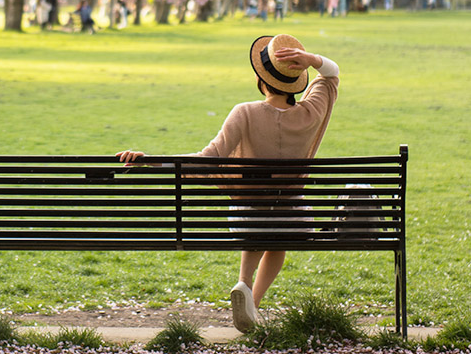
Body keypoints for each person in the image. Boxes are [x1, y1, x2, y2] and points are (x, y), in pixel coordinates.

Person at [116, 34, 340, 333]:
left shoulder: (245, 112)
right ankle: (253, 303)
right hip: (293, 221)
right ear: (296, 83)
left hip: (248, 219)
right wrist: (312, 60)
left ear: (262, 81)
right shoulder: (311, 113)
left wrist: (151, 160)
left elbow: (208, 158)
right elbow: (332, 73)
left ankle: (244, 283)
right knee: (279, 229)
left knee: (257, 214)